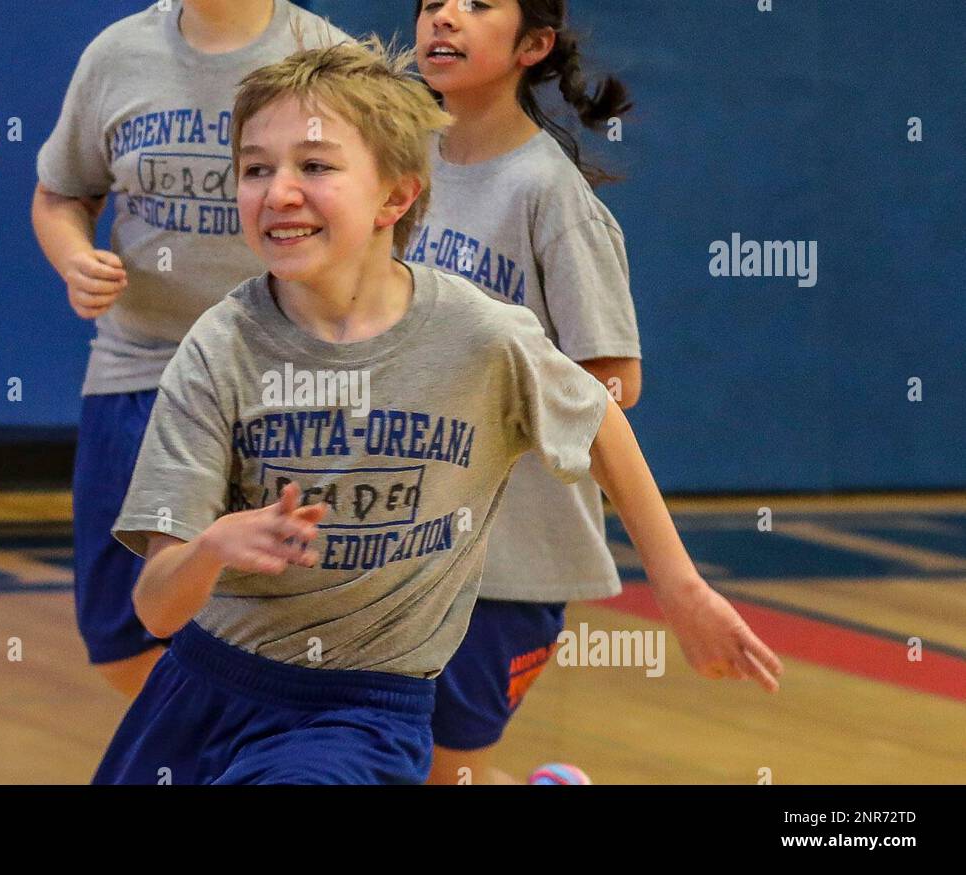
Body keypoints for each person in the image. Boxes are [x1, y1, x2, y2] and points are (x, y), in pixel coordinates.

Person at [94, 38, 782, 785]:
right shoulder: (217, 351)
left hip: (360, 709)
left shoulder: (480, 335)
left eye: (315, 166)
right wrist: (214, 546)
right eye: (256, 168)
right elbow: (157, 610)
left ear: (397, 195)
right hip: (201, 692)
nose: (278, 191)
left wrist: (678, 586)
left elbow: (602, 415)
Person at [33, 0, 348, 699]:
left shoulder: (324, 57)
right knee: (122, 636)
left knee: (283, 630)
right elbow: (60, 195)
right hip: (142, 369)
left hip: (285, 379)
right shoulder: (117, 54)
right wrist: (74, 258)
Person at [409, 0, 666, 784]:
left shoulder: (548, 195)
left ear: (534, 45)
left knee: (441, 769)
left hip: (510, 559)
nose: (444, 17)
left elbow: (617, 380)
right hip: (407, 541)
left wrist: (496, 399)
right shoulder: (399, 166)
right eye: (429, 3)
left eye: (478, 4)